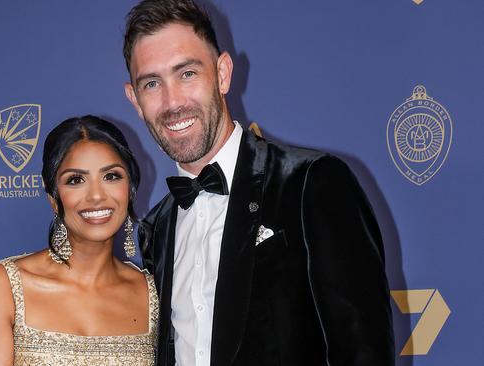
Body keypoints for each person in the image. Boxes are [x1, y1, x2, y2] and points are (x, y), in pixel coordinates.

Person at [122, 1, 394, 365]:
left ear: (222, 73)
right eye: (152, 83)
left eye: (187, 74)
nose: (172, 102)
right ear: (135, 100)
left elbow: (364, 353)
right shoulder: (156, 227)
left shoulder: (311, 183)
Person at [0, 115, 157, 365]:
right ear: (53, 197)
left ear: (131, 188)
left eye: (111, 176)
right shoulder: (2, 285)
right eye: (76, 180)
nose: (96, 196)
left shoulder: (151, 295)